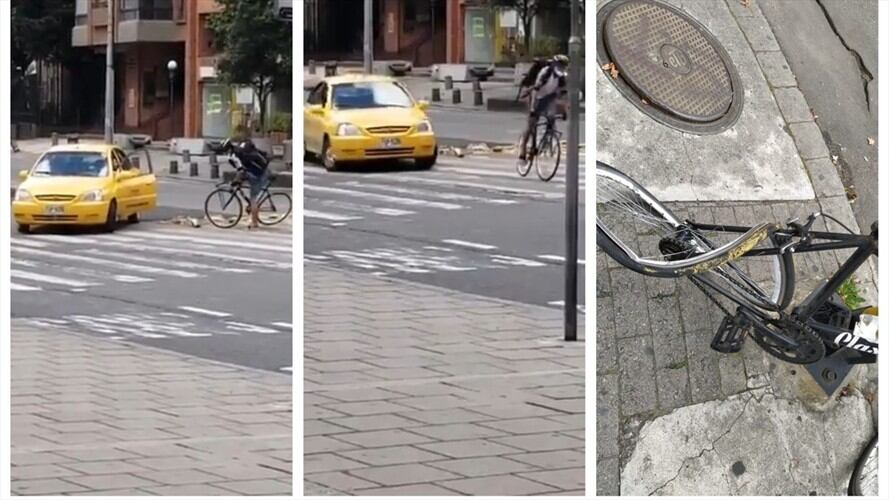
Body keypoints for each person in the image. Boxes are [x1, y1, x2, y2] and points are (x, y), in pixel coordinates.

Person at [518, 54, 569, 164]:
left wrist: (565, 111)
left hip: (549, 97)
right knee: (531, 124)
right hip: (537, 96)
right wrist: (532, 108)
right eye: (560, 65)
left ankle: (547, 139)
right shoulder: (545, 72)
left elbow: (563, 94)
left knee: (551, 117)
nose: (561, 68)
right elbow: (535, 90)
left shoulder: (561, 77)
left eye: (563, 66)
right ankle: (522, 149)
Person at [222, 138, 271, 229]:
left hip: (259, 174)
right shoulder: (239, 148)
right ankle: (251, 208)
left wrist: (235, 182)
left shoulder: (234, 156)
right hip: (263, 170)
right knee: (245, 182)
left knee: (253, 199)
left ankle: (254, 223)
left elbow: (241, 170)